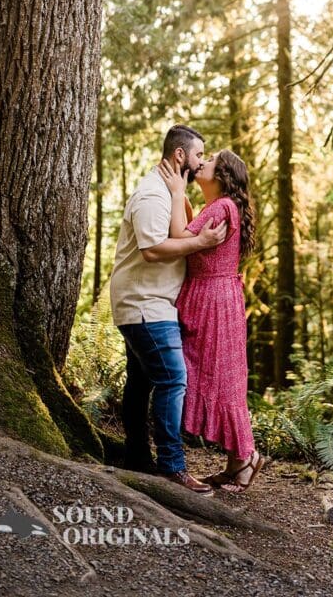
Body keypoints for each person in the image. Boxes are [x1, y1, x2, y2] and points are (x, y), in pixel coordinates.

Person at [109, 124, 227, 493]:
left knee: (140, 382)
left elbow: (176, 234)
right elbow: (153, 250)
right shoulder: (151, 196)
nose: (201, 162)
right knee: (173, 379)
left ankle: (137, 458)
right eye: (198, 155)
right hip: (145, 304)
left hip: (152, 303)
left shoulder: (168, 192)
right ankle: (172, 467)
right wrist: (202, 242)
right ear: (180, 156)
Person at [159, 149, 265, 493]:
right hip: (214, 299)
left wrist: (177, 192)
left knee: (217, 379)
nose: (201, 163)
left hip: (214, 303)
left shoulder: (221, 207)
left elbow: (180, 237)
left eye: (211, 160)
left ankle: (246, 458)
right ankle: (239, 460)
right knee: (218, 378)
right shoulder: (219, 207)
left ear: (222, 175)